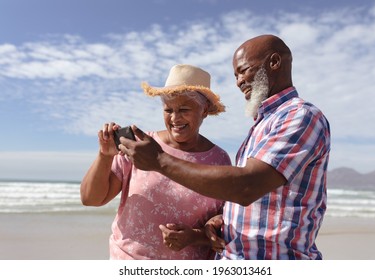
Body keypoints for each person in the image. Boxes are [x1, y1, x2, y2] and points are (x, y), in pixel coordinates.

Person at [119, 34, 331, 260]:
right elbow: (259, 204)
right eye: (235, 75)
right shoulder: (264, 124)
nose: (239, 81)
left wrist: (159, 161)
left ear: (274, 62)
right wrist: (219, 223)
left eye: (244, 70)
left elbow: (247, 187)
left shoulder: (299, 116)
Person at [80, 64, 231, 260]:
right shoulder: (140, 146)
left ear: (205, 110)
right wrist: (105, 155)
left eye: (184, 109)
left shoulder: (219, 159)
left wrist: (196, 235)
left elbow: (225, 217)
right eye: (168, 110)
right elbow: (91, 199)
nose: (175, 118)